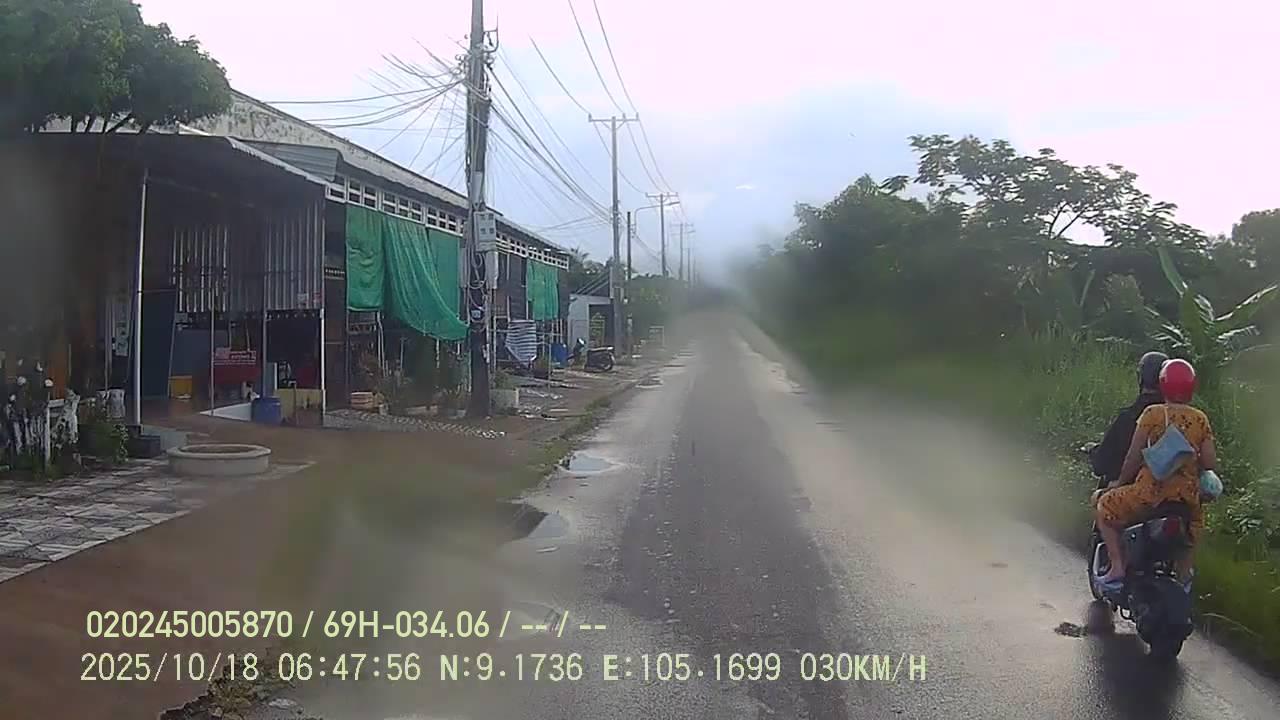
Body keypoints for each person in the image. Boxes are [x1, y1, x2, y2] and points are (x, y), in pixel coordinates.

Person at [1092, 359, 1215, 586]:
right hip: (1187, 499)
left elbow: (1133, 457)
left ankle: (1117, 566)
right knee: (1193, 528)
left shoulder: (1152, 414)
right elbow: (1209, 463)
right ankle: (1184, 575)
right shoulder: (1201, 419)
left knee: (1104, 507)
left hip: (1150, 494)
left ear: (1163, 384)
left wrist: (1120, 482)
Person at [1089, 351, 1167, 488]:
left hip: (1133, 491)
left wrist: (1094, 452)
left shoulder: (1129, 418)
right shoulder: (1184, 419)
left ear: (1140, 378)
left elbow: (1101, 465)